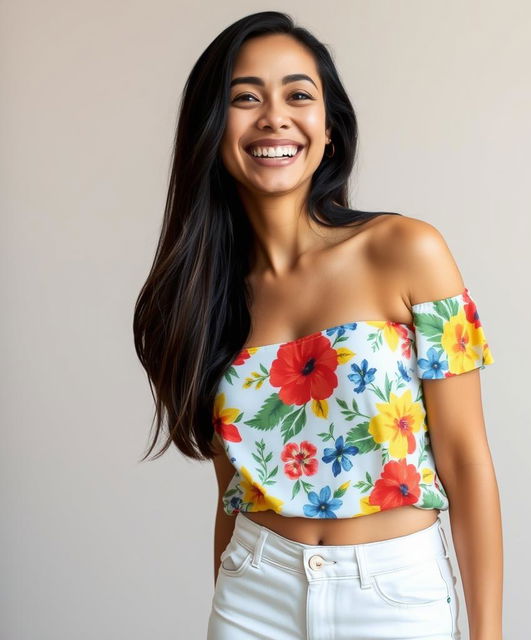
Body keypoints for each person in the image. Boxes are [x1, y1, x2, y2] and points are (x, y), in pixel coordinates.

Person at [133, 10, 503, 640]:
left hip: (394, 591)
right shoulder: (201, 297)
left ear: (329, 128)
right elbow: (235, 489)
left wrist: (487, 634)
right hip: (253, 589)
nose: (274, 116)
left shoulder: (409, 250)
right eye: (245, 98)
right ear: (212, 131)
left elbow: (466, 460)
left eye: (298, 95)